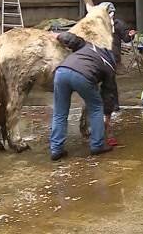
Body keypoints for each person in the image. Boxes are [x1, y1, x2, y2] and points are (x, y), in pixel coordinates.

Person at [50, 31, 117, 160]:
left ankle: (56, 150)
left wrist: (57, 35)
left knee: (59, 112)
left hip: (61, 72)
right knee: (97, 107)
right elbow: (109, 93)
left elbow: (72, 39)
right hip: (83, 76)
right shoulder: (110, 66)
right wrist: (107, 114)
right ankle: (97, 146)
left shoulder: (89, 46)